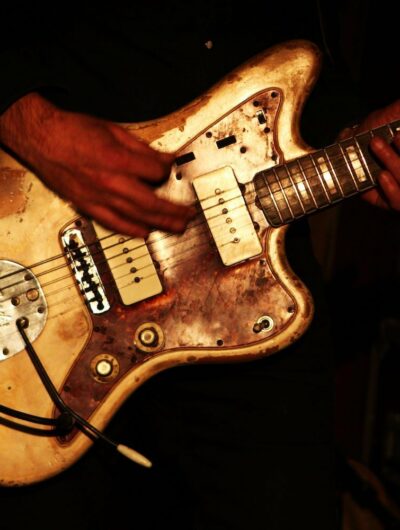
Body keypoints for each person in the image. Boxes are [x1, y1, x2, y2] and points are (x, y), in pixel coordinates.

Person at [0, 4, 399, 529]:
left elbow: (299, 37)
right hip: (43, 208)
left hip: (248, 288)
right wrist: (30, 124)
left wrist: (356, 135)